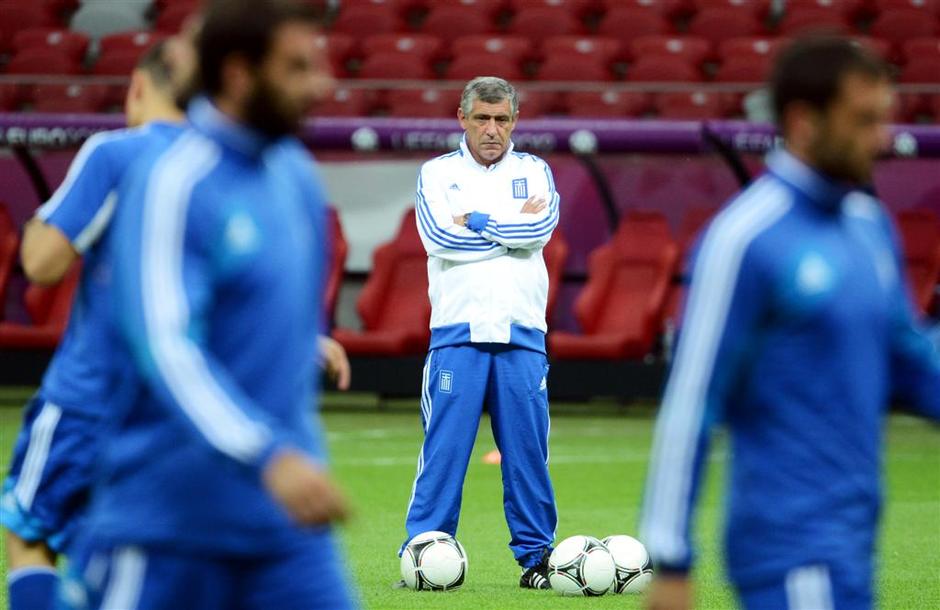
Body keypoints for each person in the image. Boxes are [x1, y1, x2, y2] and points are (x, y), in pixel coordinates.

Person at [59, 1, 357, 608]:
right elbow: (166, 346)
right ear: (239, 74)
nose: (321, 85)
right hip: (167, 528)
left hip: (285, 530)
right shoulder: (173, 180)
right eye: (298, 67)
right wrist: (266, 455)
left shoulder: (296, 176)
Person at [640, 37, 940, 610]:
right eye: (864, 121)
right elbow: (692, 401)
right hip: (790, 550)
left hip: (856, 540)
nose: (882, 139)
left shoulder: (870, 225)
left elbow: (911, 360)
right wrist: (671, 557)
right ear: (804, 120)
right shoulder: (746, 237)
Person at [0, 41, 185, 610]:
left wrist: (41, 222)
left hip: (90, 397)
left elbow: (42, 264)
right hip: (177, 413)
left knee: (28, 534)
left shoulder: (116, 153)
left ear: (137, 87)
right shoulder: (228, 168)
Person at [400, 76, 561, 590]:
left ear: (514, 121)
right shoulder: (437, 173)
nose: (492, 129)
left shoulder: (535, 170)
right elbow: (439, 238)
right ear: (463, 119)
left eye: (502, 119)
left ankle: (538, 559)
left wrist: (478, 221)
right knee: (443, 452)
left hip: (522, 332)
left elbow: (540, 232)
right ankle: (423, 552)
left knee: (527, 454)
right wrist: (511, 233)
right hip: (457, 331)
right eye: (482, 118)